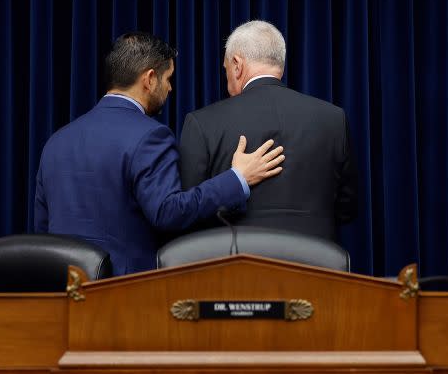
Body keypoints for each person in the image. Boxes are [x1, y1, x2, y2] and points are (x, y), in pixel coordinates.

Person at [34, 32, 284, 275]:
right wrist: (237, 178)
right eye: (168, 79)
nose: (170, 89)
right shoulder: (150, 136)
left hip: (66, 294)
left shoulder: (56, 142)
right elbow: (168, 213)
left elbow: (43, 229)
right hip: (123, 293)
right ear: (150, 79)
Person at [179, 20, 357, 241]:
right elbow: (348, 207)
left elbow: (187, 214)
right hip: (316, 267)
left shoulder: (201, 122)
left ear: (237, 65)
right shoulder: (333, 118)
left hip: (234, 269)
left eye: (225, 70)